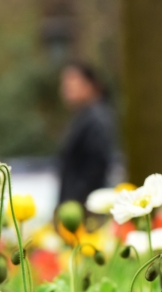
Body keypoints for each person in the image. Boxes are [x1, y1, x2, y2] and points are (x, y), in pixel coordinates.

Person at [58, 63, 120, 205]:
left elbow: (97, 165)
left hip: (86, 207)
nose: (66, 89)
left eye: (72, 82)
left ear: (91, 84)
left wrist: (77, 201)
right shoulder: (83, 117)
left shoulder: (97, 118)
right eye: (64, 83)